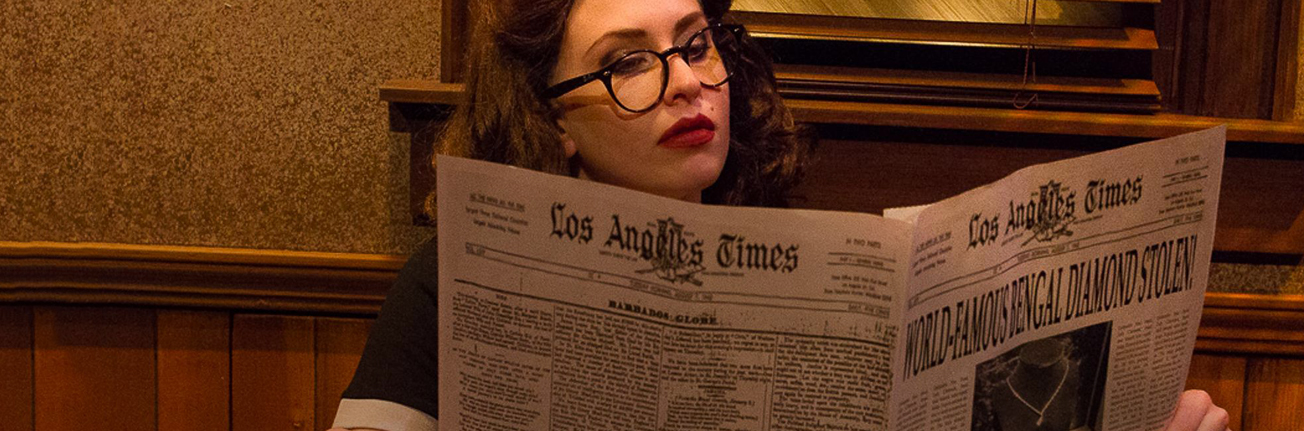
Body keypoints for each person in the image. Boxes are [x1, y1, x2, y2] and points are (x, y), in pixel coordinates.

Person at [330, 0, 1231, 430]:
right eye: (629, 63)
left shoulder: (821, 269)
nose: (688, 79)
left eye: (693, 43)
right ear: (552, 120)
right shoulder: (452, 285)